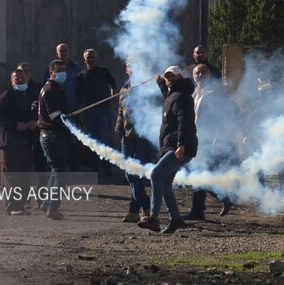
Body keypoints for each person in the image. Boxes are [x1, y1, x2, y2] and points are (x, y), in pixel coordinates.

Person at [138, 66, 197, 234]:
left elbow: (184, 122)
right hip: (172, 145)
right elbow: (170, 100)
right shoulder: (174, 95)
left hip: (180, 147)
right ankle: (176, 219)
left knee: (156, 174)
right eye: (167, 76)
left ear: (179, 77)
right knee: (164, 183)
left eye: (172, 76)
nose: (169, 78)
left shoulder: (182, 98)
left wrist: (181, 144)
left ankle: (154, 218)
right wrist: (161, 86)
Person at [182, 64, 235, 221]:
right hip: (195, 138)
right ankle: (202, 208)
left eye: (203, 72)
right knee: (199, 174)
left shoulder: (216, 95)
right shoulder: (193, 94)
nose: (200, 75)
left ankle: (221, 199)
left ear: (210, 75)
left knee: (199, 174)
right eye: (197, 73)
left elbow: (223, 118)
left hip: (208, 139)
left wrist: (217, 137)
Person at [0, 69, 36, 215]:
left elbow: (40, 112)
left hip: (27, 141)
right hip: (9, 141)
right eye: (17, 78)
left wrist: (34, 122)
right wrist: (15, 124)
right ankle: (13, 206)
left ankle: (22, 205)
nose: (20, 80)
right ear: (12, 81)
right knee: (11, 175)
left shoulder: (32, 96)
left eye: (23, 77)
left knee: (24, 174)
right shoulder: (6, 97)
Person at [115, 61, 154, 223]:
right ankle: (134, 210)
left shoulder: (147, 87)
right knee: (129, 174)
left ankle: (144, 208)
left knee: (135, 173)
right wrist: (118, 128)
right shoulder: (123, 90)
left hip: (142, 138)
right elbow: (120, 112)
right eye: (131, 65)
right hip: (127, 138)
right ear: (127, 69)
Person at [38, 60, 70, 220]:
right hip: (51, 136)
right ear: (51, 73)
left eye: (64, 69)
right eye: (59, 70)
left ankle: (46, 203)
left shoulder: (53, 88)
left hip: (50, 135)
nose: (63, 73)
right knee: (60, 174)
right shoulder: (51, 90)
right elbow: (54, 115)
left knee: (54, 171)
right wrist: (68, 123)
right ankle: (53, 207)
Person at [76, 48, 117, 175]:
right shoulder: (81, 75)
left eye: (93, 57)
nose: (91, 59)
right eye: (88, 57)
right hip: (89, 111)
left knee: (104, 139)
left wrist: (113, 91)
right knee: (92, 140)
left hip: (103, 110)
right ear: (84, 60)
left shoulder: (104, 72)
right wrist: (80, 111)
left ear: (96, 58)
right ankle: (94, 168)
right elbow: (78, 94)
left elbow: (113, 83)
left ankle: (107, 168)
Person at [17, 62, 48, 209]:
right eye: (21, 72)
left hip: (37, 133)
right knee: (23, 169)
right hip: (21, 135)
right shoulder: (13, 91)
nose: (24, 75)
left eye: (27, 72)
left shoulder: (39, 89)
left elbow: (45, 109)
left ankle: (42, 199)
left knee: (41, 168)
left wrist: (36, 121)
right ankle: (25, 199)